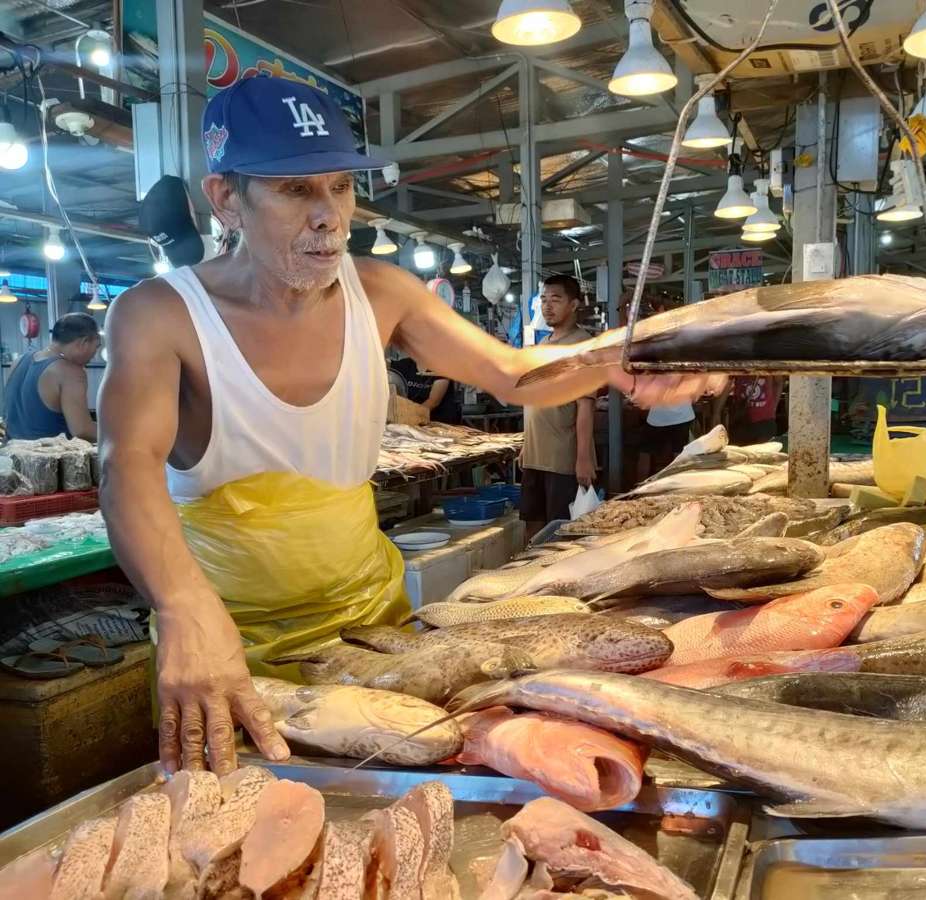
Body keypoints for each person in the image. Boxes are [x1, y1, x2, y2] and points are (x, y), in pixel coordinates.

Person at [97, 76, 720, 777]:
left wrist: (617, 364)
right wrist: (182, 608)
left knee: (392, 802)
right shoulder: (161, 314)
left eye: (340, 187)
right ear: (225, 200)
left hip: (368, 624)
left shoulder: (382, 292)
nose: (329, 217)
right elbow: (127, 466)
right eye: (295, 191)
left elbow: (514, 372)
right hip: (221, 637)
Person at [518, 274, 597, 542]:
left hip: (562, 459)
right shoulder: (544, 345)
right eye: (544, 299)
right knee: (532, 525)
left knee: (560, 531)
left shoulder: (582, 346)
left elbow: (585, 406)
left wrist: (583, 458)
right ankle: (528, 575)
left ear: (574, 305)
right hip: (534, 456)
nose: (547, 306)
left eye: (556, 299)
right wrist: (526, 445)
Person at [4, 313, 100, 441]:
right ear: (84, 342)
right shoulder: (70, 372)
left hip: (9, 456)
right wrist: (124, 433)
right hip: (48, 458)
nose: (94, 355)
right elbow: (82, 430)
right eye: (96, 346)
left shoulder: (19, 361)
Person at [390, 357, 460, 424]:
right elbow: (386, 364)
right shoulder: (405, 364)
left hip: (437, 422)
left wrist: (410, 416)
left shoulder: (441, 367)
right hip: (413, 421)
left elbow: (433, 401)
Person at [718, 376, 783, 444]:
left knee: (764, 452)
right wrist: (716, 412)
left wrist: (773, 407)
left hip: (764, 422)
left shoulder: (771, 366)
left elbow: (778, 382)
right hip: (741, 421)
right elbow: (728, 382)